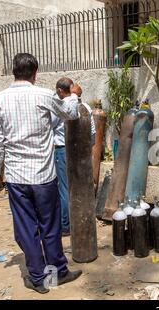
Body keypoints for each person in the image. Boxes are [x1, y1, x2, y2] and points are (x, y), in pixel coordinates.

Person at [0, 53, 83, 294]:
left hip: (17, 178)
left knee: (26, 228)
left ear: (13, 72)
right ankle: (58, 273)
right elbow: (70, 114)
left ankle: (39, 279)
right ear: (35, 72)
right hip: (43, 176)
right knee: (50, 226)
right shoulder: (44, 96)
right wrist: (73, 95)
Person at [52, 80, 96, 236]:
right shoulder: (85, 107)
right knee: (81, 186)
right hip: (82, 151)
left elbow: (49, 128)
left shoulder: (60, 107)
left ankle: (65, 225)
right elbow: (92, 133)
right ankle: (82, 220)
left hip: (63, 151)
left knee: (65, 188)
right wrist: (86, 149)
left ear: (61, 91)